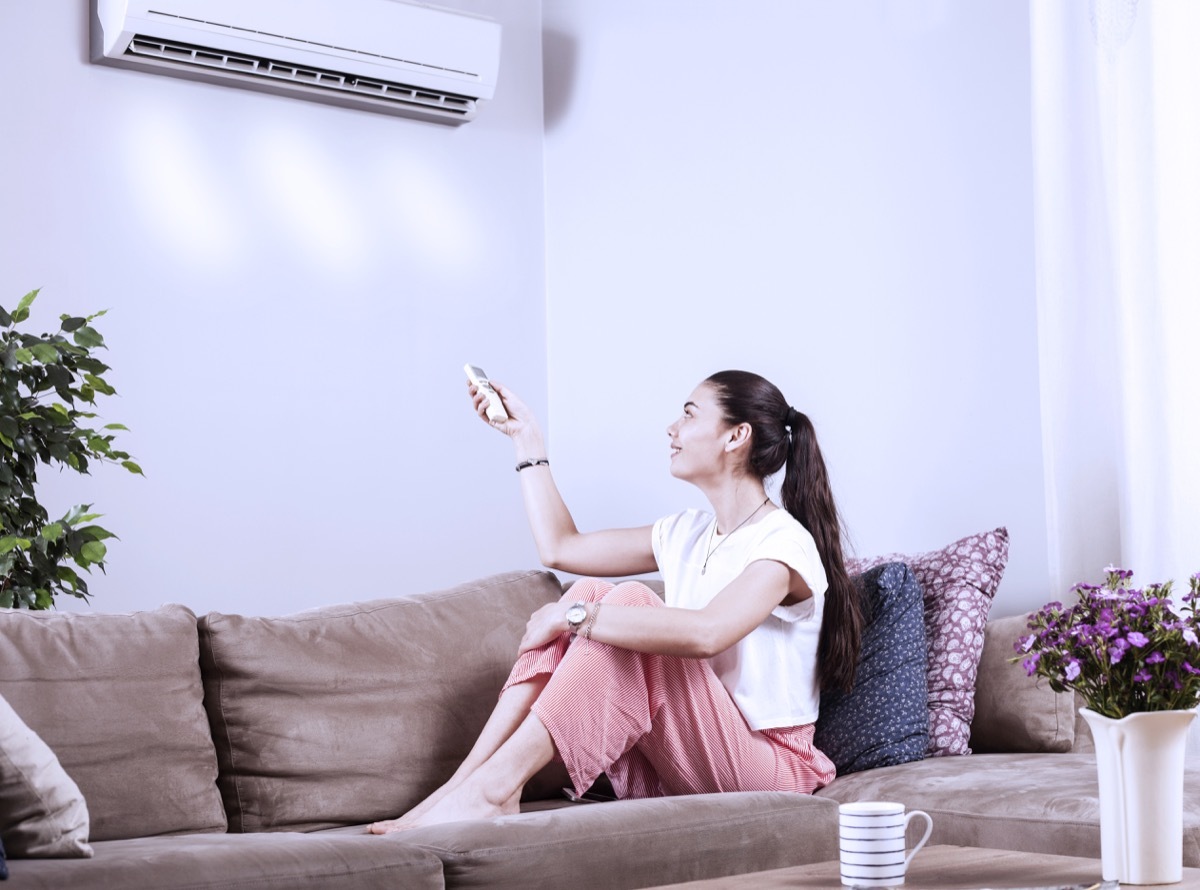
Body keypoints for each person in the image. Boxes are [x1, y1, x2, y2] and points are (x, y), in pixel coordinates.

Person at [369, 369, 861, 833]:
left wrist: (574, 616)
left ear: (737, 437)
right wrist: (527, 440)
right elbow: (561, 548)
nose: (672, 427)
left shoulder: (783, 543)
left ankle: (492, 789)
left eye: (689, 414)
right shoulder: (687, 534)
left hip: (768, 768)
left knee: (622, 603)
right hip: (687, 751)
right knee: (591, 591)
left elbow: (708, 633)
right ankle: (464, 789)